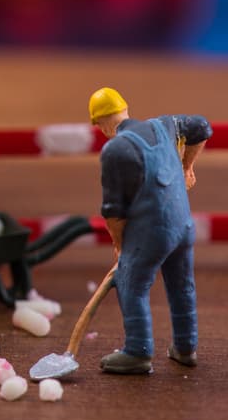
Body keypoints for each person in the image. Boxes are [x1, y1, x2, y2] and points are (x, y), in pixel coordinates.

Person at [89, 87, 211, 375]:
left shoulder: (115, 149)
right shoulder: (166, 124)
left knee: (131, 283)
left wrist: (120, 248)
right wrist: (186, 167)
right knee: (181, 285)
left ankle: (138, 352)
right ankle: (185, 347)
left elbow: (113, 211)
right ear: (125, 109)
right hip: (183, 226)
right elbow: (203, 127)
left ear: (102, 123)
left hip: (153, 233)